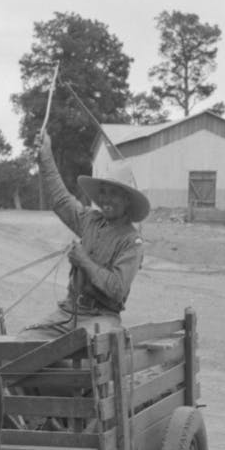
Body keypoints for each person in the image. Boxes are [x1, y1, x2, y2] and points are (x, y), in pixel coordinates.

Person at [21, 133, 149, 340]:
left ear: (127, 200)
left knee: (84, 349)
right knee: (24, 343)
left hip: (101, 317)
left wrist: (84, 261)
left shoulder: (131, 242)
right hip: (68, 312)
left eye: (114, 194)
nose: (106, 199)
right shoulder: (90, 220)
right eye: (103, 192)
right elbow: (60, 200)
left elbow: (117, 289)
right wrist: (46, 156)